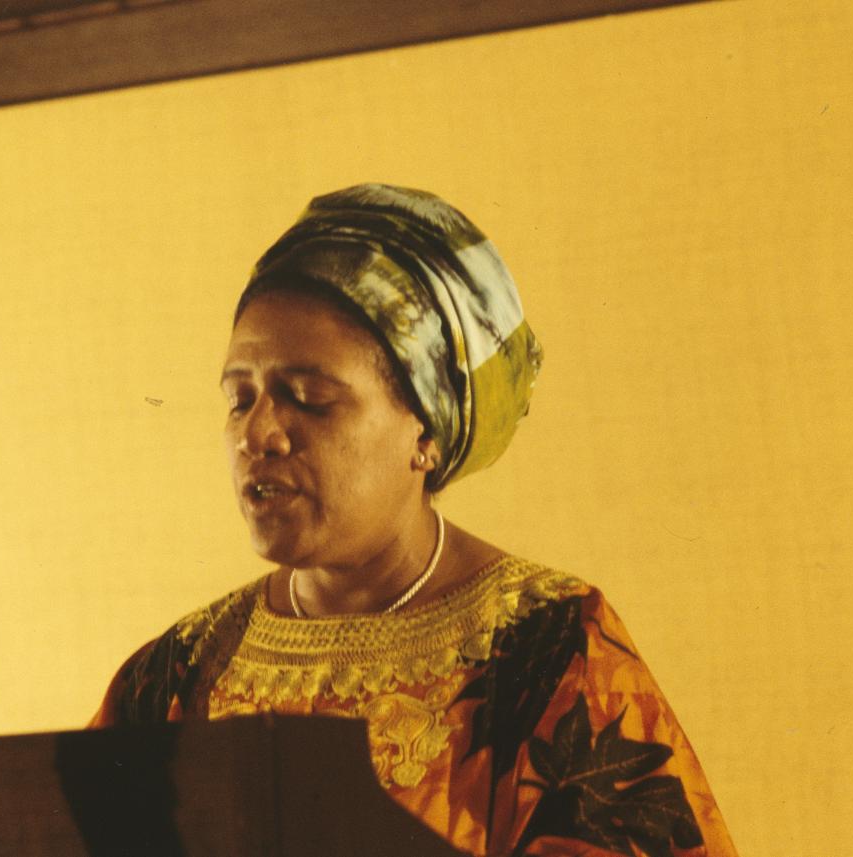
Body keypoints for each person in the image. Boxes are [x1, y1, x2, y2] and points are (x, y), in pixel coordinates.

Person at [91, 184, 737, 856]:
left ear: (425, 430)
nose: (260, 433)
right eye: (239, 398)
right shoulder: (174, 674)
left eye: (308, 398)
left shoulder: (551, 650)